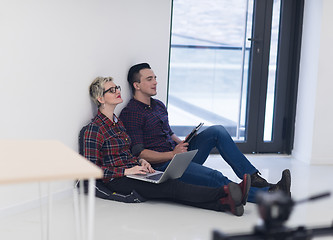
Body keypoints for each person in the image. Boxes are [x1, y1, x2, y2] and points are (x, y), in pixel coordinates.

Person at [119, 63, 291, 203]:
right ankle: (271, 195)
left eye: (155, 78)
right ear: (137, 85)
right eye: (149, 79)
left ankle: (253, 177)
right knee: (215, 177)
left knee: (217, 131)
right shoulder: (132, 113)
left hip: (178, 155)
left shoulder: (158, 105)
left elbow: (168, 132)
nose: (155, 82)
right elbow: (140, 153)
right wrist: (172, 154)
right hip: (164, 166)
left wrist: (180, 143)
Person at [82, 76, 251, 216]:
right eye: (111, 90)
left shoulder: (118, 123)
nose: (118, 91)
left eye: (117, 87)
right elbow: (91, 170)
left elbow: (127, 154)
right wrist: (127, 171)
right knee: (171, 187)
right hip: (118, 180)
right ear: (100, 98)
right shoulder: (93, 129)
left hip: (134, 171)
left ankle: (225, 204)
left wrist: (141, 162)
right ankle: (226, 192)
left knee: (170, 190)